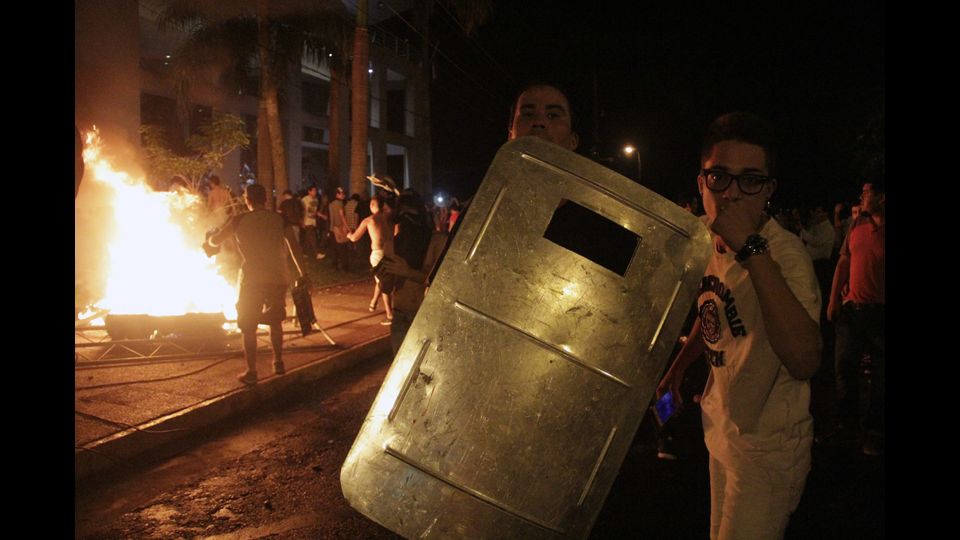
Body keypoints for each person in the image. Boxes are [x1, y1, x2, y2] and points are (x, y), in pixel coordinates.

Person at [657, 112, 821, 539]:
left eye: (750, 180)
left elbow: (804, 359)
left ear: (767, 191)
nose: (732, 193)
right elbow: (710, 308)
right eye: (720, 178)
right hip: (722, 427)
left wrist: (751, 248)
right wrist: (679, 366)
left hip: (767, 448)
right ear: (701, 183)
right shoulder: (707, 241)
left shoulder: (784, 257)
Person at [205, 183, 308, 385]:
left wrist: (209, 240)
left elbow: (216, 241)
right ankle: (278, 362)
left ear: (247, 200)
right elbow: (295, 248)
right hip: (278, 278)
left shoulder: (239, 220)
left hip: (252, 279)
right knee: (275, 320)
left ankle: (251, 370)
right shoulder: (279, 220)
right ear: (265, 199)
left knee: (248, 324)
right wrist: (304, 274)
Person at [826, 181, 885, 456]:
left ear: (882, 198)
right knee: (844, 367)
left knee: (881, 376)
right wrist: (834, 298)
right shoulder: (856, 225)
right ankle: (847, 426)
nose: (862, 196)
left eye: (867, 192)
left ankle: (874, 431)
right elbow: (844, 261)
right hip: (852, 309)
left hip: (880, 313)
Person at [381, 189, 448, 354]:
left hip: (426, 317)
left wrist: (409, 272)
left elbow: (443, 284)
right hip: (400, 316)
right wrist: (385, 273)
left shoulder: (437, 241)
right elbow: (386, 288)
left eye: (412, 215)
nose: (408, 221)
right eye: (403, 216)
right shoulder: (392, 245)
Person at [347, 194, 394, 325]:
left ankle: (389, 314)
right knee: (382, 279)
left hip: (378, 254)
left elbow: (355, 237)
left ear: (373, 205)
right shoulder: (388, 217)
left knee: (383, 283)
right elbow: (390, 210)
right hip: (390, 251)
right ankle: (373, 301)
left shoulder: (369, 220)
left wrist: (349, 235)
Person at [328, 187, 352, 271]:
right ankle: (345, 267)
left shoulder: (331, 203)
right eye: (342, 193)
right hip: (339, 228)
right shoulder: (340, 203)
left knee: (334, 249)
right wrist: (348, 227)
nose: (344, 195)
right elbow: (342, 216)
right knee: (343, 248)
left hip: (332, 228)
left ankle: (334, 266)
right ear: (337, 194)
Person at [300, 186, 323, 260]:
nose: (315, 192)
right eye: (313, 191)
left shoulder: (316, 200)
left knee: (308, 238)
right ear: (309, 191)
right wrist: (302, 221)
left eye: (315, 191)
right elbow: (302, 211)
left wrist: (321, 215)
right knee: (313, 237)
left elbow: (314, 211)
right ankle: (317, 253)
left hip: (313, 221)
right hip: (307, 221)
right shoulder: (304, 200)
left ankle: (303, 252)